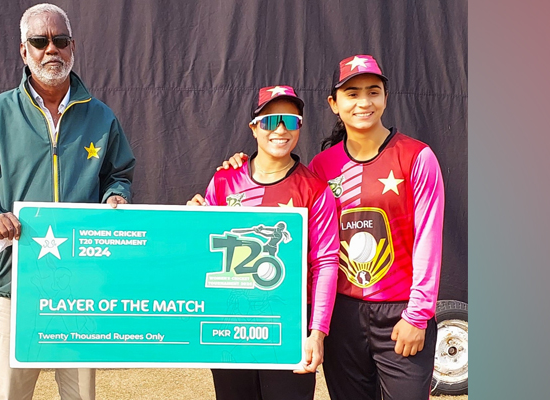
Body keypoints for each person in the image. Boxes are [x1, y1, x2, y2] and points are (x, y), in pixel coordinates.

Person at [218, 55, 445, 400]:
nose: (363, 102)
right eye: (352, 94)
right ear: (334, 104)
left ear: (386, 96)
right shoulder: (321, 167)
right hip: (343, 317)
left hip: (401, 312)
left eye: (373, 91)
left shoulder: (417, 156)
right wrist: (234, 169)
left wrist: (418, 316)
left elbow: (429, 240)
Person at [0, 4, 135, 399]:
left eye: (60, 40)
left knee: (80, 394)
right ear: (23, 50)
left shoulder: (100, 117)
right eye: (39, 41)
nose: (52, 49)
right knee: (12, 392)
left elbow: (119, 173)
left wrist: (117, 195)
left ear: (73, 47)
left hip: (81, 283)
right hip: (17, 279)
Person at [187, 86, 340, 400]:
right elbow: (205, 252)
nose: (281, 130)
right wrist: (193, 223)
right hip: (229, 327)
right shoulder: (224, 180)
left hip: (287, 328)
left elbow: (325, 263)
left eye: (291, 121)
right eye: (271, 121)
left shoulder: (314, 189)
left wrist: (316, 333)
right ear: (254, 128)